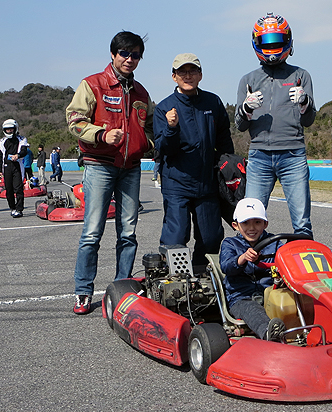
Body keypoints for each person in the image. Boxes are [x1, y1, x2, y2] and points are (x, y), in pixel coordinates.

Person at [66, 31, 154, 315]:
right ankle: (82, 290)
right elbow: (74, 121)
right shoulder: (92, 84)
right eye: (124, 54)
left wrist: (145, 143)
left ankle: (122, 289)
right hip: (99, 165)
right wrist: (102, 134)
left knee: (128, 233)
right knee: (92, 232)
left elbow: (151, 129)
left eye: (136, 55)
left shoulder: (141, 93)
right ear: (113, 54)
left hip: (131, 168)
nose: (130, 59)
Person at [235, 12, 316, 239]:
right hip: (259, 156)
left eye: (277, 42)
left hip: (293, 155)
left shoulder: (301, 75)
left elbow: (309, 121)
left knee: (301, 222)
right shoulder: (248, 80)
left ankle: (305, 269)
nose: (271, 48)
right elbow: (239, 125)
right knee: (249, 221)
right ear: (256, 43)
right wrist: (246, 108)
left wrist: (305, 103)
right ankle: (251, 268)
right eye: (266, 43)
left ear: (288, 41)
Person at [153, 53, 234, 266]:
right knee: (176, 238)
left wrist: (228, 167)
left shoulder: (213, 102)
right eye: (182, 72)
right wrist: (171, 128)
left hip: (207, 183)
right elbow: (162, 148)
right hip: (176, 183)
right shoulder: (164, 108)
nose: (187, 76)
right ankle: (174, 283)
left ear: (200, 74)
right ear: (174, 76)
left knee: (211, 238)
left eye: (192, 71)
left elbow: (224, 139)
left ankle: (201, 276)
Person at [220, 197, 286, 341]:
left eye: (257, 222)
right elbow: (226, 266)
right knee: (253, 310)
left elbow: (286, 260)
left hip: (271, 293)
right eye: (245, 223)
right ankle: (270, 334)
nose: (251, 228)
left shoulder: (274, 243)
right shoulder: (230, 244)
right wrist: (242, 258)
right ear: (235, 225)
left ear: (265, 224)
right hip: (242, 297)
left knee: (296, 299)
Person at [0, 119, 28, 218]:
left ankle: (19, 209)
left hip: (17, 166)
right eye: (7, 129)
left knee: (18, 188)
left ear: (15, 129)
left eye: (11, 129)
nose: (9, 131)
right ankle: (12, 208)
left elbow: (24, 151)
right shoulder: (2, 141)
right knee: (9, 190)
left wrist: (18, 155)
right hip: (7, 167)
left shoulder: (22, 139)